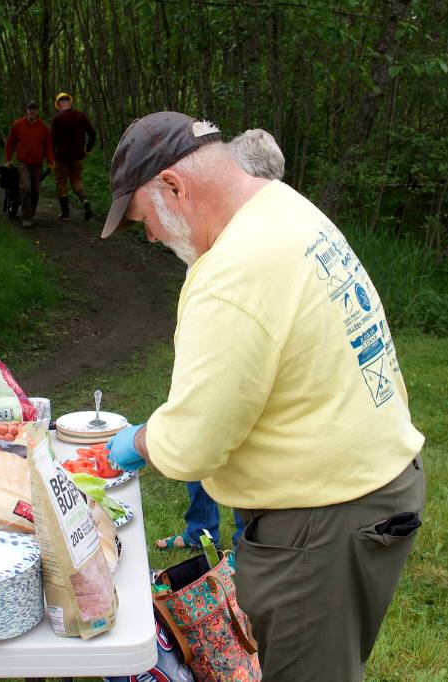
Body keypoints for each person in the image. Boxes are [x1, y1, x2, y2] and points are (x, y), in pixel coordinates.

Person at [102, 112, 426, 681]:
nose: (150, 236)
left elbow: (194, 445)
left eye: (143, 219)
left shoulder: (234, 271)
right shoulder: (282, 207)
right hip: (369, 491)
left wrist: (138, 441)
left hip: (321, 519)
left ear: (174, 186)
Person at [158, 127, 287, 552]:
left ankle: (240, 545)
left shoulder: (259, 248)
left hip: (246, 390)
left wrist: (141, 443)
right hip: (211, 368)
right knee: (204, 437)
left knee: (226, 447)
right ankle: (202, 531)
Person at [4, 100, 54, 227]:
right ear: (25, 110)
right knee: (26, 187)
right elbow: (10, 143)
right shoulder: (18, 125)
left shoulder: (43, 128)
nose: (32, 111)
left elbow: (48, 146)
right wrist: (8, 159)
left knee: (36, 191)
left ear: (37, 111)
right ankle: (26, 217)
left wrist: (50, 162)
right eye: (30, 108)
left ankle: (30, 213)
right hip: (23, 162)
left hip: (37, 163)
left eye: (34, 109)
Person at [50, 92, 96, 221]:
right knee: (76, 181)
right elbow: (92, 133)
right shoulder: (81, 116)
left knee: (61, 183)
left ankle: (66, 214)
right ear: (69, 103)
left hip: (61, 157)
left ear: (59, 105)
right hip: (77, 156)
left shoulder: (57, 119)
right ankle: (85, 200)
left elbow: (52, 141)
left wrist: (51, 157)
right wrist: (87, 149)